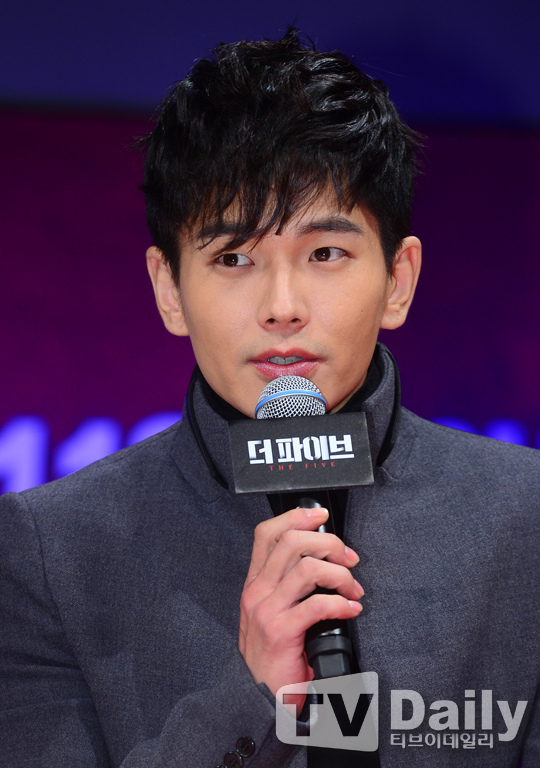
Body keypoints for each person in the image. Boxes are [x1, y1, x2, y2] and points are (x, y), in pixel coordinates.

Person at [0, 29, 538, 768]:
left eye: (325, 253)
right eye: (234, 257)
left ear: (399, 279)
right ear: (169, 289)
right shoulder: (49, 552)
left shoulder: (524, 521)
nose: (282, 307)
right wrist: (247, 700)